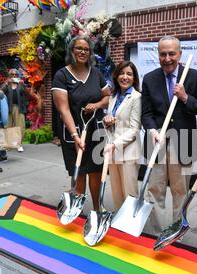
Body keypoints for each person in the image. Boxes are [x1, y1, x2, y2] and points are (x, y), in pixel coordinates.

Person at [141, 36, 197, 234]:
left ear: (179, 54)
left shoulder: (194, 76)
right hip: (157, 141)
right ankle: (157, 233)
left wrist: (186, 97)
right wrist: (152, 130)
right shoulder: (150, 78)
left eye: (172, 53)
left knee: (181, 192)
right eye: (163, 54)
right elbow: (146, 113)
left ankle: (175, 233)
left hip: (184, 141)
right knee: (154, 190)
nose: (167, 58)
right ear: (158, 55)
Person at [52, 36, 111, 210]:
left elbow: (108, 97)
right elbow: (64, 110)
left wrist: (97, 105)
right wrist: (75, 136)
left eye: (86, 49)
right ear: (71, 51)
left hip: (96, 131)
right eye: (79, 48)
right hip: (73, 132)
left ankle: (97, 209)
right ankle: (75, 212)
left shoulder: (96, 74)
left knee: (96, 172)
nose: (82, 52)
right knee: (78, 173)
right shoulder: (62, 75)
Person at [103, 61, 142, 210]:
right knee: (117, 192)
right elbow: (111, 122)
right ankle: (119, 224)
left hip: (128, 152)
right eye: (122, 73)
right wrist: (107, 121)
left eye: (129, 74)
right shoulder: (113, 97)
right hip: (113, 152)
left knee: (129, 193)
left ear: (134, 78)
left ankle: (130, 226)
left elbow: (135, 128)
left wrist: (114, 145)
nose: (125, 77)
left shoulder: (137, 97)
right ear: (116, 76)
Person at [1, 68, 29, 152]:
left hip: (19, 107)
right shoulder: (7, 84)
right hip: (8, 107)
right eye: (12, 75)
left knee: (20, 126)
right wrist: (6, 83)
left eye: (16, 75)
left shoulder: (20, 84)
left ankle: (18, 144)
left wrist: (23, 85)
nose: (14, 76)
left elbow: (27, 94)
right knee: (8, 126)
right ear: (9, 76)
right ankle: (8, 145)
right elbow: (0, 92)